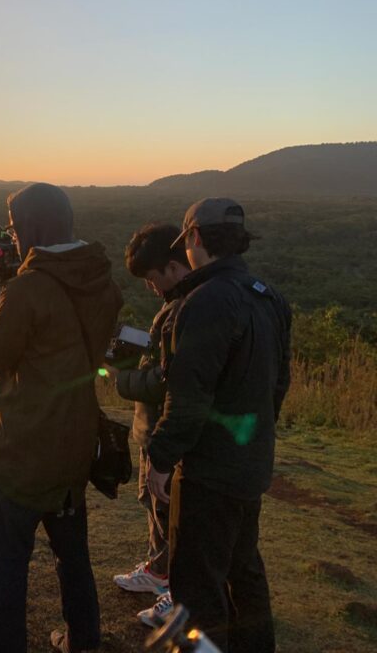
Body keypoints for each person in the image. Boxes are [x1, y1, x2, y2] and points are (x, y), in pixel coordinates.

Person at [0, 183, 122, 653]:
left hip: (22, 452)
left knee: (7, 570)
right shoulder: (102, 281)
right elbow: (58, 341)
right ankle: (83, 641)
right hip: (74, 447)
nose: (12, 238)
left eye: (15, 229)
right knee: (73, 559)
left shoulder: (28, 288)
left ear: (32, 229)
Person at [146, 198, 291, 653]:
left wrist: (161, 459)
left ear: (194, 239)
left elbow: (187, 398)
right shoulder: (268, 296)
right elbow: (278, 386)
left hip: (209, 471)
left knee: (197, 587)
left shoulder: (204, 302)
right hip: (251, 463)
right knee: (244, 572)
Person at [105, 224, 190, 627]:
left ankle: (173, 587)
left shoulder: (186, 310)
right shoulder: (179, 304)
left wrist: (121, 377)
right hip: (152, 429)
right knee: (155, 507)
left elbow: (165, 381)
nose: (150, 288)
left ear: (173, 267)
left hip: (164, 431)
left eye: (152, 279)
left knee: (168, 511)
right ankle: (159, 572)